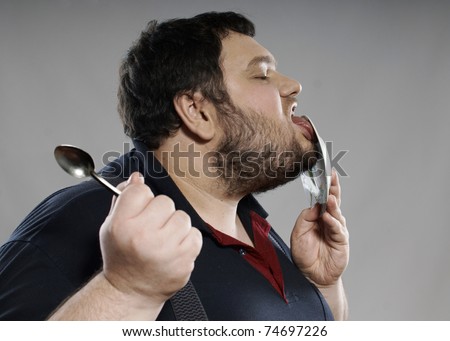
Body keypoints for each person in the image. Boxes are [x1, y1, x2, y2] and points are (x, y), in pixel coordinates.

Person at [0, 11, 349, 321]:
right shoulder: (82, 219)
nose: (293, 86)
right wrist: (123, 289)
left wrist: (322, 287)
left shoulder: (255, 227)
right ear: (197, 112)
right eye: (262, 75)